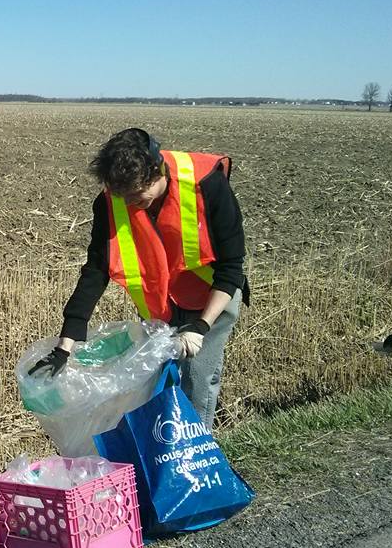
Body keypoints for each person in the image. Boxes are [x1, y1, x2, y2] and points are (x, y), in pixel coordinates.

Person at [31, 128, 249, 432]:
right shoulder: (113, 200)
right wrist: (64, 346)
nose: (131, 203)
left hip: (212, 296)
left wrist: (200, 327)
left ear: (158, 170)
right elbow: (96, 270)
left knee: (197, 380)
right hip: (160, 304)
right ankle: (162, 456)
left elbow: (231, 267)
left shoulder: (206, 184)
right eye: (124, 196)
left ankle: (195, 459)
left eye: (138, 194)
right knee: (157, 384)